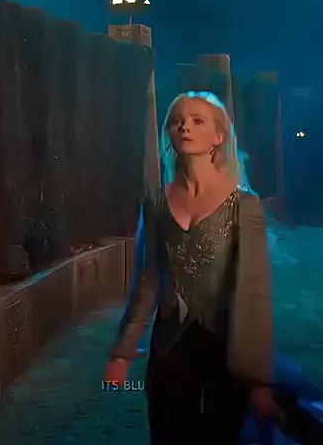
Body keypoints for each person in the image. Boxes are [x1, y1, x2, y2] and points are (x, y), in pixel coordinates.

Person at [104, 91, 275, 444]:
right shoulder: (156, 200)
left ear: (218, 136)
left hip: (224, 349)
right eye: (177, 121)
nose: (185, 127)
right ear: (168, 133)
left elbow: (253, 292)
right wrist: (123, 351)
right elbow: (147, 281)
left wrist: (256, 377)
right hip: (169, 348)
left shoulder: (243, 204)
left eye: (198, 121)